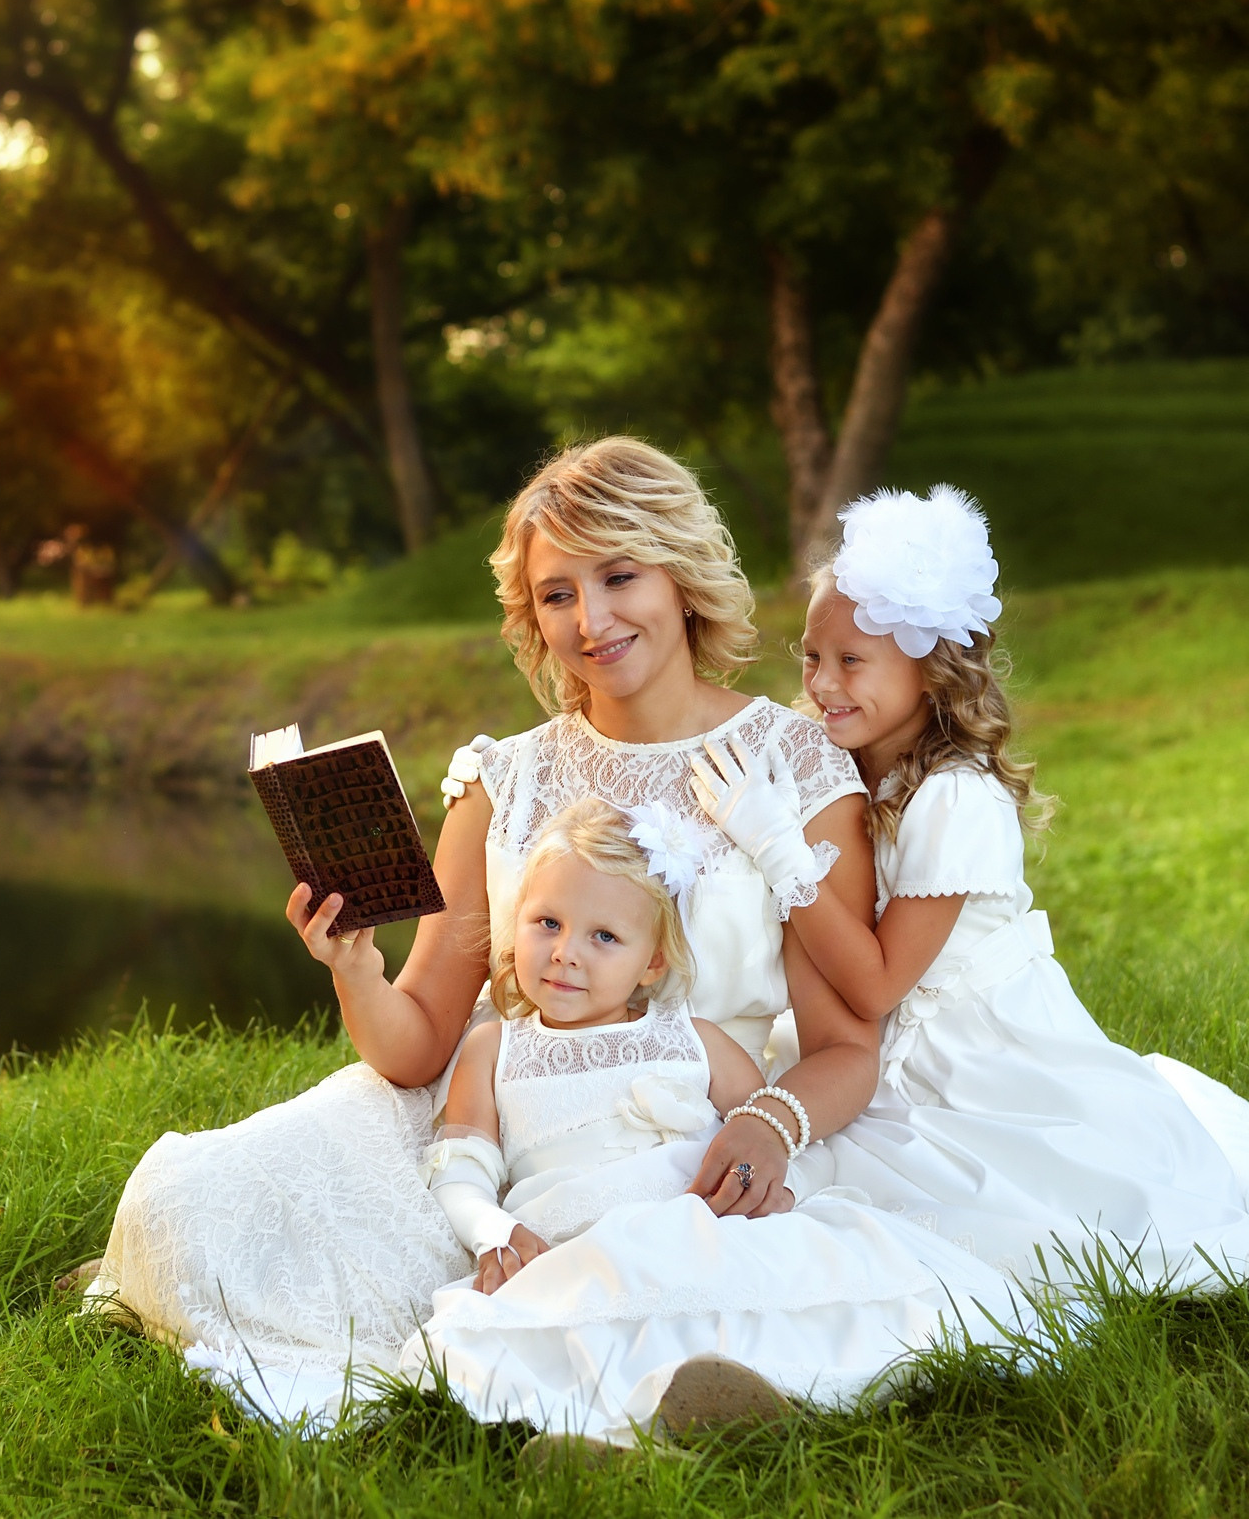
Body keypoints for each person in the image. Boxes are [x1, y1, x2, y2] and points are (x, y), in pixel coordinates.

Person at [92, 438, 1030, 1432]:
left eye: (619, 576)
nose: (592, 618)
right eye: (556, 594)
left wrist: (768, 1123)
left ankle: (642, 1416)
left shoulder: (793, 766)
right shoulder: (505, 776)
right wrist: (351, 964)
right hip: (495, 1121)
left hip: (688, 1130)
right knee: (184, 1203)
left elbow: (846, 1046)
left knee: (652, 1285)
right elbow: (416, 1041)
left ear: (679, 576)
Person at [685, 484, 1249, 1290]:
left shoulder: (956, 796)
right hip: (876, 1042)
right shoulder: (846, 768)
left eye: (852, 661)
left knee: (1001, 1210)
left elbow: (876, 985)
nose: (824, 682)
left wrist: (778, 849)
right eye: (812, 656)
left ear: (929, 669)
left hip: (981, 1051)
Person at [420, 795, 790, 1297]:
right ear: (517, 922)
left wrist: (765, 1189)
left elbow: (769, 1138)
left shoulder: (693, 1038)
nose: (566, 954)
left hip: (702, 1238)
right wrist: (495, 1233)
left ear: (653, 962)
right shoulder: (494, 1049)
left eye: (605, 936)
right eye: (548, 923)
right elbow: (459, 1172)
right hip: (574, 1255)